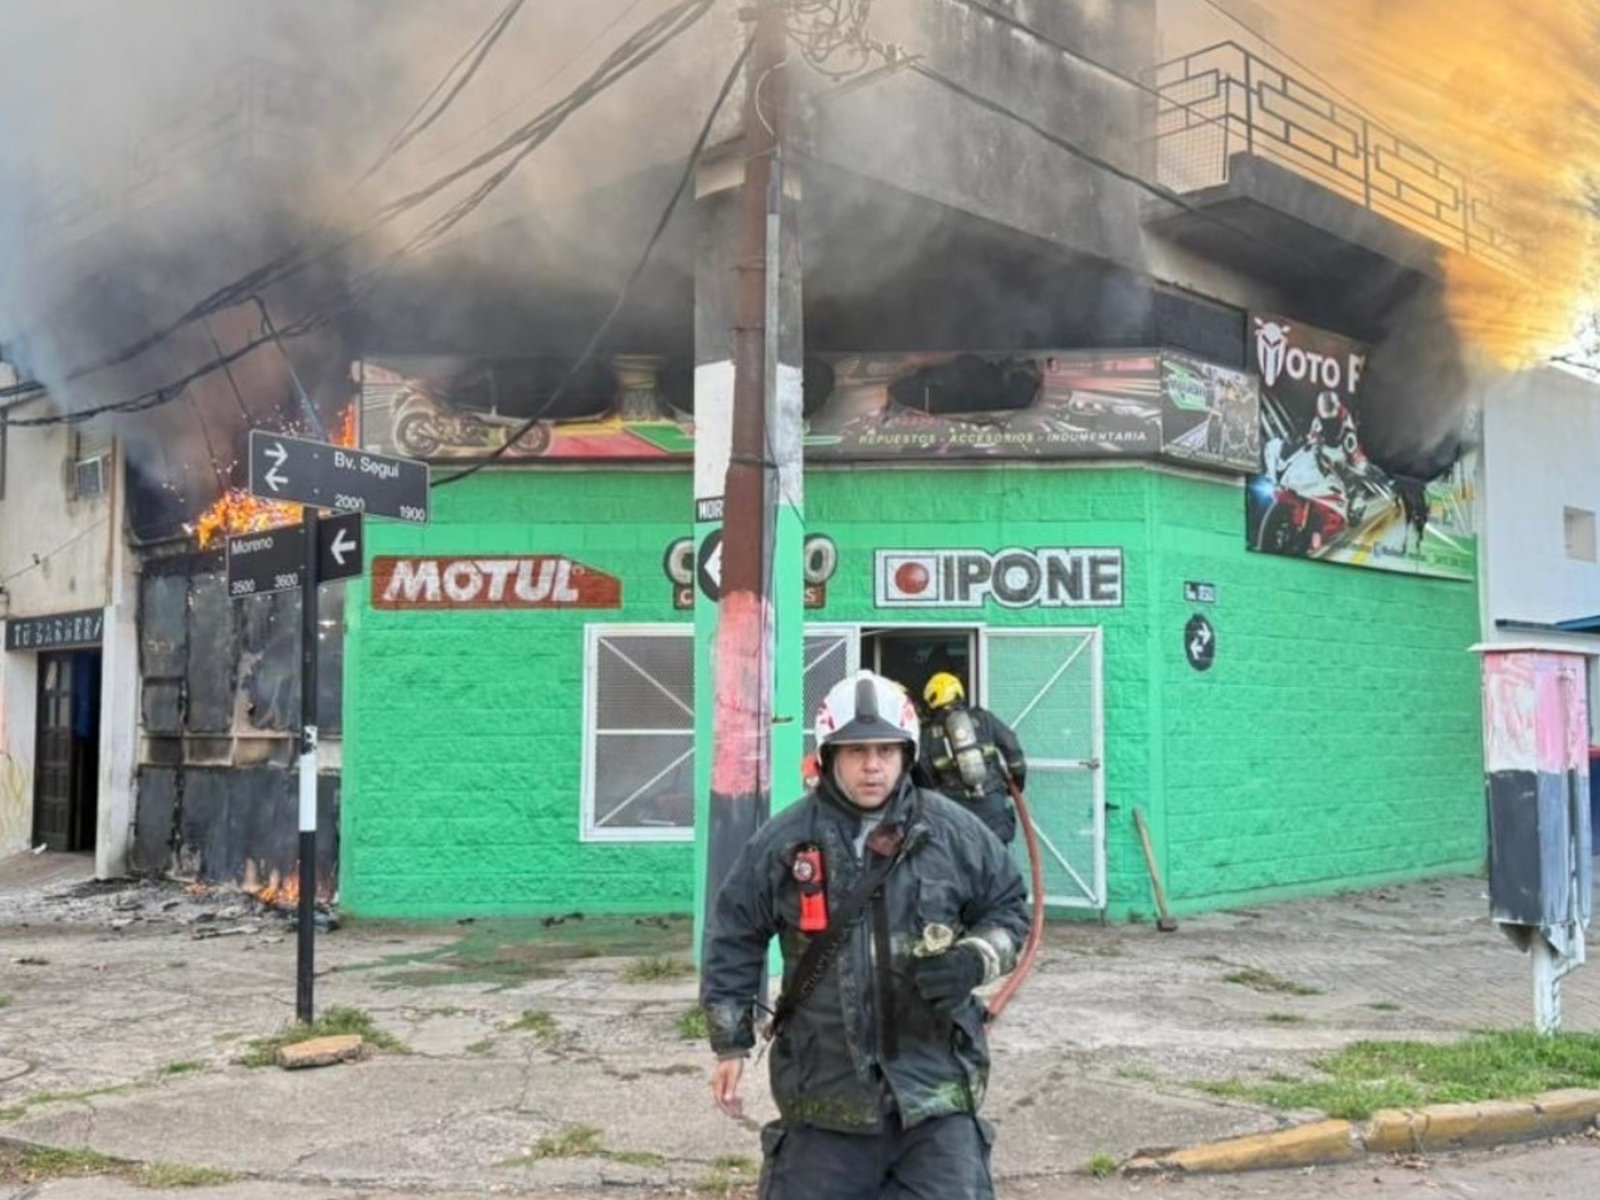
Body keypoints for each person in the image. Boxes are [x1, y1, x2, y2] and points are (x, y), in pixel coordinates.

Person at [701, 670, 1031, 1200]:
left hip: (936, 1096)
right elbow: (734, 931)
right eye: (855, 751)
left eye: (885, 749)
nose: (872, 765)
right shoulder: (785, 841)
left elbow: (1010, 910)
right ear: (829, 757)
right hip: (824, 1102)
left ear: (907, 754)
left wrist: (973, 960)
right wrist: (730, 1043)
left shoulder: (954, 831)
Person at [915, 673, 1027, 846]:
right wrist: (1017, 784)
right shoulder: (984, 718)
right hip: (993, 808)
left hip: (956, 813)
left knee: (962, 864)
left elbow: (925, 776)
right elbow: (1012, 748)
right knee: (998, 864)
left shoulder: (927, 734)